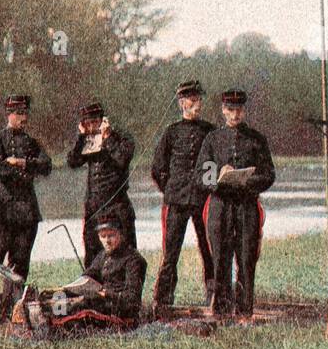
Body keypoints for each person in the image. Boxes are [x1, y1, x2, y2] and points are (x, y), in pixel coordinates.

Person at [194, 89, 275, 317]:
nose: (235, 114)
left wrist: (248, 180)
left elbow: (269, 175)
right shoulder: (212, 139)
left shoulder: (257, 139)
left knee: (247, 259)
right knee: (220, 259)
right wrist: (219, 175)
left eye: (239, 109)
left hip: (247, 205)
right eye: (230, 110)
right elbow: (201, 175)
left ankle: (244, 311)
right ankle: (220, 311)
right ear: (223, 110)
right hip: (220, 206)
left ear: (244, 110)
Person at [15, 216, 147, 336]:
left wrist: (106, 294)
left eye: (111, 235)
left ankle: (46, 325)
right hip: (100, 301)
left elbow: (133, 300)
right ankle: (39, 315)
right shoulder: (103, 255)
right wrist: (73, 287)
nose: (107, 241)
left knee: (80, 305)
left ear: (121, 234)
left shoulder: (134, 260)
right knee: (59, 296)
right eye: (103, 236)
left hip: (118, 312)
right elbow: (90, 274)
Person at [0, 94, 52, 298]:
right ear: (9, 114)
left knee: (20, 260)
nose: (23, 118)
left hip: (26, 210)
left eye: (25, 113)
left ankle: (13, 304)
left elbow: (46, 165)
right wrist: (25, 172)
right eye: (19, 113)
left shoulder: (32, 142)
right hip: (1, 208)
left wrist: (21, 163)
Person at [150, 80, 216, 312]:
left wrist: (207, 189)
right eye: (192, 100)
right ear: (181, 103)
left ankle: (215, 296)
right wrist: (170, 189)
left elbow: (213, 166)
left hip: (203, 200)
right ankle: (163, 300)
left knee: (209, 248)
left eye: (199, 100)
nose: (197, 104)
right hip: (176, 201)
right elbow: (157, 168)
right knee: (170, 253)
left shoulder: (210, 131)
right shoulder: (172, 132)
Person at [67, 100, 136, 265]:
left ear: (103, 120)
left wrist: (108, 138)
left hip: (117, 205)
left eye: (95, 122)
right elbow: (73, 162)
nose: (92, 127)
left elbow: (122, 160)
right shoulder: (88, 140)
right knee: (92, 253)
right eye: (87, 123)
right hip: (94, 207)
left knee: (124, 253)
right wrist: (81, 137)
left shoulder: (121, 137)